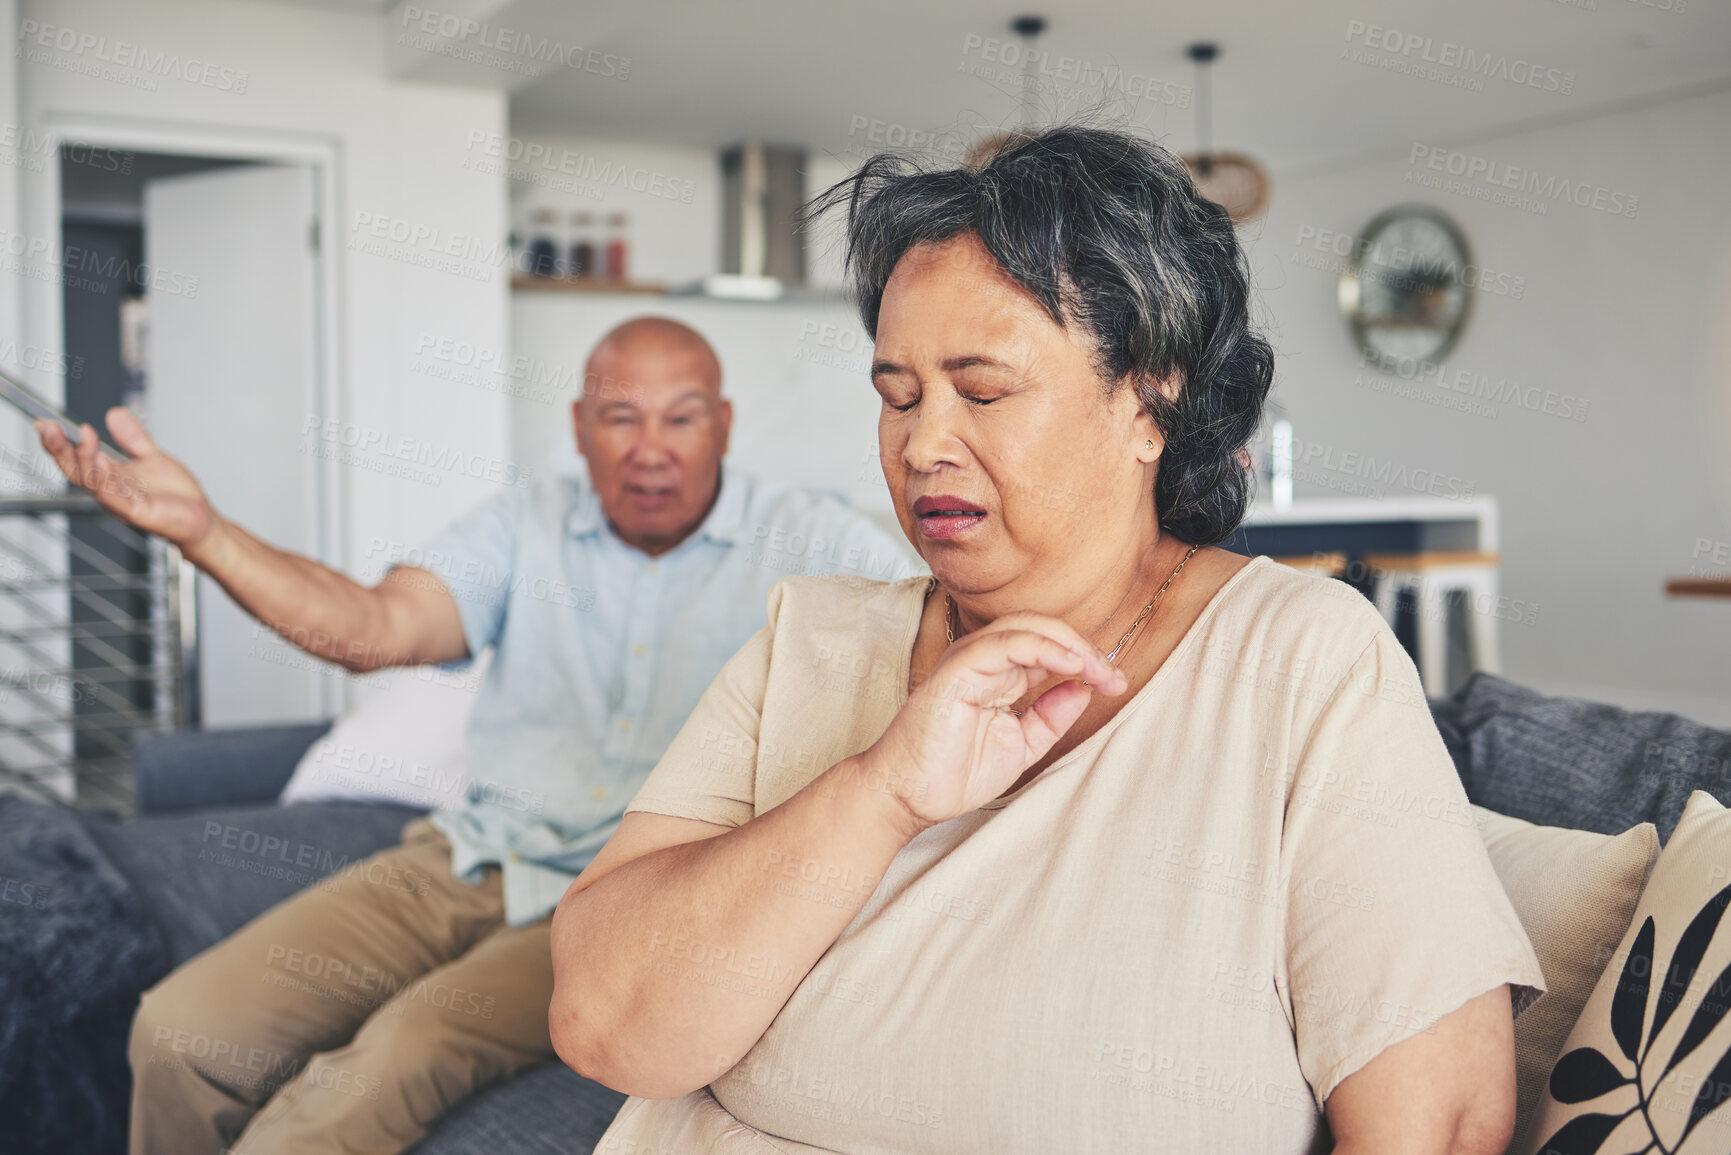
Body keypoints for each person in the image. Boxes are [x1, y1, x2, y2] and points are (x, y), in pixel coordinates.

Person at [548, 129, 1546, 1154]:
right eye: (896, 395)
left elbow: (1441, 1122)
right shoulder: (810, 636)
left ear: (1148, 397)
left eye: (983, 392)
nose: (922, 444)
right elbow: (604, 1024)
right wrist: (882, 790)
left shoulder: (1300, 663)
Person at [34, 316, 915, 1155]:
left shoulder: (814, 540)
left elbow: (943, 635)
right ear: (577, 427)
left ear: (722, 425)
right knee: (179, 1035)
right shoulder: (522, 524)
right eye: (619, 417)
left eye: (681, 417)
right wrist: (207, 534)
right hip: (465, 855)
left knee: (372, 1072)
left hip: (618, 902)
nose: (651, 447)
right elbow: (373, 624)